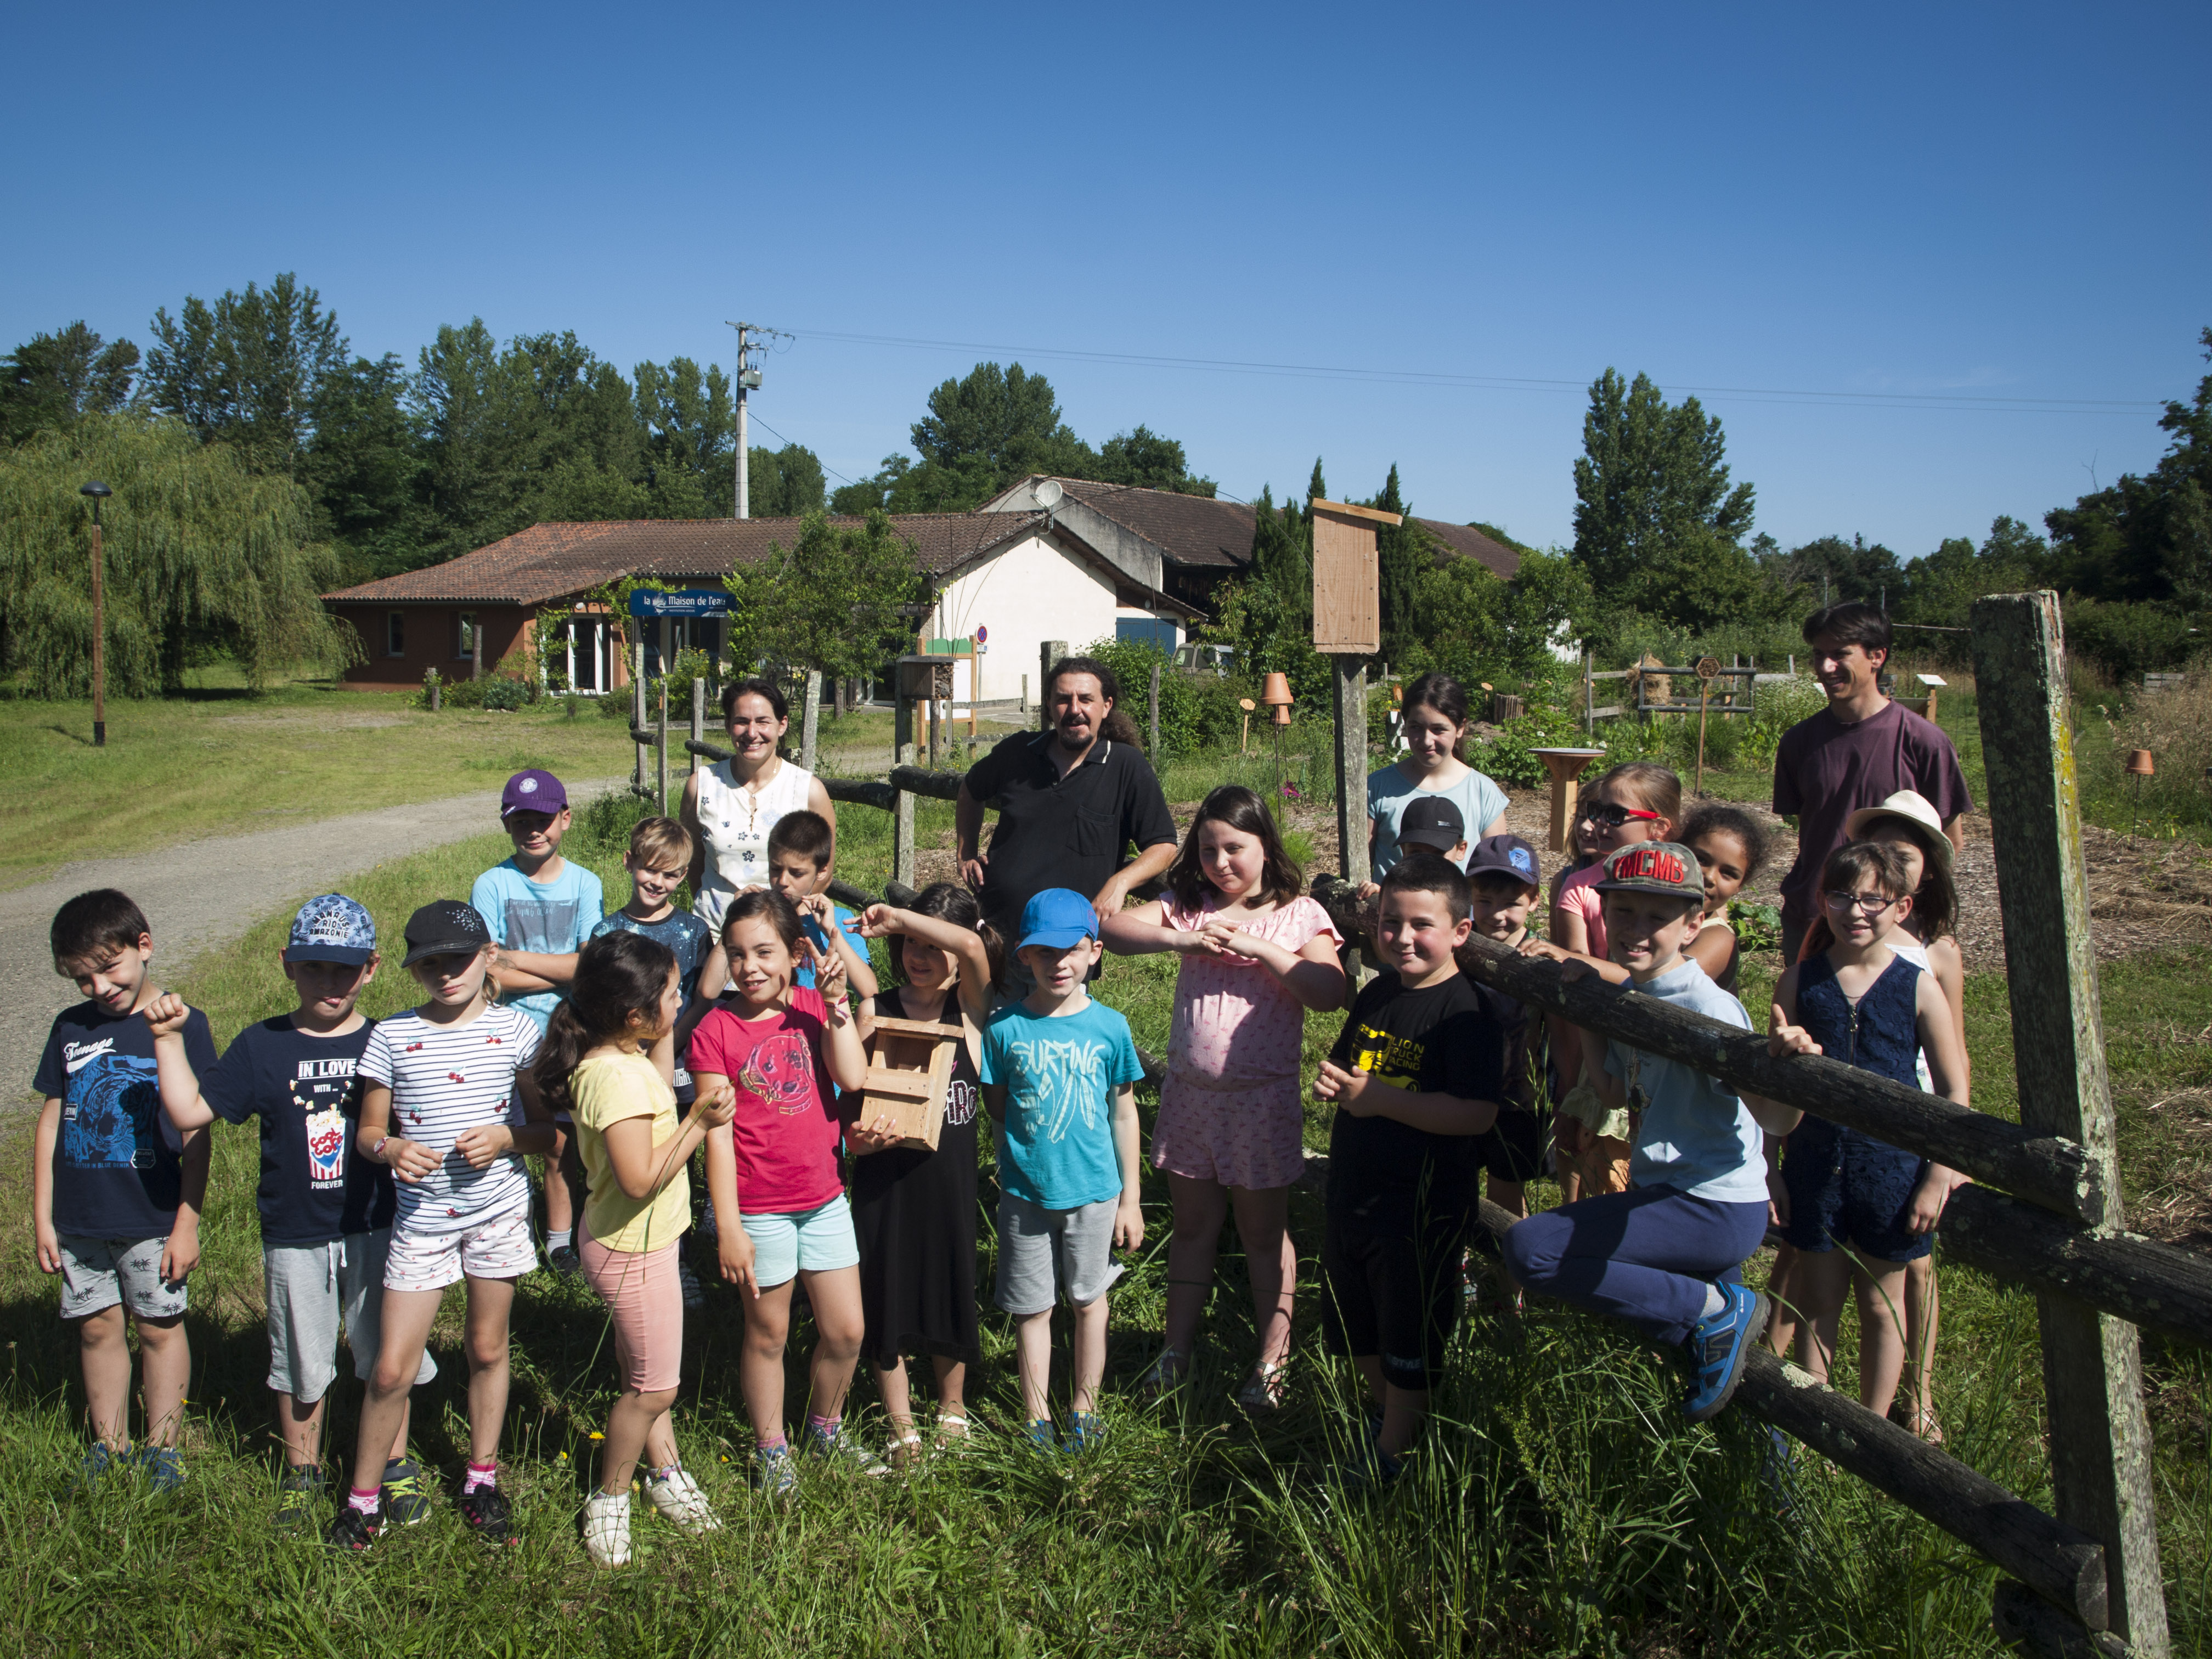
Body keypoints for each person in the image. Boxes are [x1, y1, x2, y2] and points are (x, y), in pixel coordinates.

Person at [144, 895, 435, 1532]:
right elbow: (191, 1112)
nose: (329, 983)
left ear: (373, 968)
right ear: (286, 966)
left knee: (386, 1355)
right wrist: (167, 1040)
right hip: (294, 1232)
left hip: (378, 1226)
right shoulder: (261, 1046)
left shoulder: (388, 1039)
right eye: (313, 968)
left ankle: (394, 1462)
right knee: (300, 1361)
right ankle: (303, 1472)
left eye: (344, 969)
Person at [1503, 843, 1809, 1423]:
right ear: (1603, 912)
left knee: (1530, 1248)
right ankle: (1773, 1487)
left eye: (1657, 917)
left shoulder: (1708, 1008)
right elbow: (1615, 1093)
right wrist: (1592, 1008)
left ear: (1695, 923)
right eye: (1623, 913)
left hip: (1710, 1204)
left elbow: (1775, 1119)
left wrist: (1787, 1072)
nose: (1636, 931)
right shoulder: (1635, 995)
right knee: (1729, 1376)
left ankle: (1718, 1309)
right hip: (1673, 1195)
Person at [1100, 786, 1345, 1410]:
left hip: (1259, 1103)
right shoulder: (1190, 906)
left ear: (1266, 845)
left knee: (1264, 1234)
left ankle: (1272, 1359)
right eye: (1208, 849)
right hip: (1190, 1098)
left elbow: (1328, 990)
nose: (1222, 862)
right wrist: (1183, 939)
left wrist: (1262, 947)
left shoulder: (1300, 915)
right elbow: (1115, 929)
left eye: (1235, 847)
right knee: (1192, 1227)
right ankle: (1176, 1350)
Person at [325, 901, 555, 1553]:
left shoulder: (516, 1033)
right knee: (392, 1368)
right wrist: (392, 1151)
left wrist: (509, 1137)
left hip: (499, 1214)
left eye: (458, 959)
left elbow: (547, 1134)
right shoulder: (391, 1037)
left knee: (487, 1348)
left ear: (488, 956)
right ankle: (362, 1500)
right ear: (413, 971)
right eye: (429, 966)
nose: (446, 975)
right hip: (422, 1223)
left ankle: (481, 1479)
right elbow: (368, 1131)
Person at [532, 931, 736, 1566]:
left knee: (644, 1371)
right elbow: (641, 1178)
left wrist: (667, 1030)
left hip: (638, 1244)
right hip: (632, 1252)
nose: (682, 1001)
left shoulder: (618, 1057)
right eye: (672, 995)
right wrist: (698, 1122)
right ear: (633, 1015)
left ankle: (667, 1473)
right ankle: (611, 1497)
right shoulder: (613, 1081)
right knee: (653, 1390)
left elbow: (655, 1072)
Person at [1314, 854, 1510, 1485]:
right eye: (1390, 923)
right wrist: (1338, 1083)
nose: (1402, 938)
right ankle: (1392, 1419)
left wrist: (1377, 1100)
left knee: (1410, 1334)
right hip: (1355, 1192)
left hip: (1420, 1208)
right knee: (1357, 1330)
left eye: (1421, 925)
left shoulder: (1467, 1014)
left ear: (1461, 930)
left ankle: (1392, 1458)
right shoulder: (1378, 992)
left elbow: (1476, 1115)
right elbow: (1353, 1067)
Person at [1766, 843, 1970, 1424]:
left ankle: (1874, 1428)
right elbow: (1778, 1085)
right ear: (1823, 902)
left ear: (1902, 907)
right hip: (1815, 1161)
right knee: (1819, 1297)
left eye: (1873, 900)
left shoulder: (1917, 986)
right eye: (1841, 896)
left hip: (1893, 1169)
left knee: (1884, 1304)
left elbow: (1953, 1090)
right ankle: (1816, 1425)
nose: (1856, 911)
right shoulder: (1799, 981)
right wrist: (1772, 1165)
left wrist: (1937, 1176)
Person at [693, 888, 873, 1497]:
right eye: (737, 954)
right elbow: (716, 1138)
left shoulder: (812, 1007)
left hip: (824, 1199)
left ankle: (825, 1427)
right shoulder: (715, 1032)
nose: (750, 967)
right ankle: (772, 1447)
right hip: (760, 1208)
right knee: (767, 1334)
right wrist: (730, 1227)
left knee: (847, 1331)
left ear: (796, 952)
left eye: (764, 952)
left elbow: (853, 1077)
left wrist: (838, 1005)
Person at [33, 889, 213, 1494]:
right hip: (79, 1217)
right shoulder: (70, 1028)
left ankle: (164, 1448)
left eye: (108, 968)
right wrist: (42, 1217)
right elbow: (53, 1120)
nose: (99, 988)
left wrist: (187, 1220)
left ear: (145, 946)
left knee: (157, 1327)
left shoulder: (183, 1023)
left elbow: (196, 1129)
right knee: (95, 1327)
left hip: (153, 1213)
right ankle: (109, 1445)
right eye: (81, 978)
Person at [981, 889, 1148, 1453]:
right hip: (1025, 1194)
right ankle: (1036, 1418)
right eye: (1044, 953)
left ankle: (1085, 1407)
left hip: (1095, 1193)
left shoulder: (1111, 1028)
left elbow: (1124, 1113)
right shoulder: (1005, 1030)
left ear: (1096, 952)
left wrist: (1130, 1199)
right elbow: (998, 1106)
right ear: (1023, 957)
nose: (1059, 964)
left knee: (1088, 1299)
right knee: (1033, 1307)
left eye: (1072, 950)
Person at [848, 886, 1000, 1466]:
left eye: (932, 944)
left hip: (951, 1188)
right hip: (884, 1182)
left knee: (950, 1286)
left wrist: (899, 916)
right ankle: (899, 1418)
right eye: (910, 943)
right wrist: (857, 1142)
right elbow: (848, 1101)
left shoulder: (973, 1010)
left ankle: (953, 1405)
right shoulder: (875, 1010)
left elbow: (969, 941)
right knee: (885, 1288)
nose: (919, 954)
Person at [956, 655, 1179, 985]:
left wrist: (1120, 883)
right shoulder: (1018, 752)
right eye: (1063, 699)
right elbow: (970, 790)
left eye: (1086, 699)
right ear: (1049, 706)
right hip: (994, 937)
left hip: (1064, 956)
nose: (1074, 709)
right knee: (983, 1034)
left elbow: (1163, 845)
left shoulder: (1125, 767)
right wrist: (966, 853)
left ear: (1106, 706)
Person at [1772, 602, 1971, 964]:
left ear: (1877, 656)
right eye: (1818, 654)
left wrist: (1902, 911)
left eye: (1839, 654)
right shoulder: (1799, 742)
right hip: (1814, 917)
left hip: (1891, 926)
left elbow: (1949, 844)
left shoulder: (1924, 742)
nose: (1825, 667)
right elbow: (1813, 830)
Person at [470, 768, 605, 1277]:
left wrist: (513, 959)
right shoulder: (491, 884)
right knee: (528, 1138)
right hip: (503, 1033)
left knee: (572, 1141)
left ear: (565, 820)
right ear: (507, 825)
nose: (533, 829)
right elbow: (485, 977)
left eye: (543, 819)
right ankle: (528, 1235)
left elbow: (587, 967)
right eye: (520, 820)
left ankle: (570, 1236)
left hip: (569, 1032)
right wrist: (561, 971)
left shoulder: (585, 884)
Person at [590, 814, 718, 1307]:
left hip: (681, 1056)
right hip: (623, 1061)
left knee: (682, 1145)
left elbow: (699, 995)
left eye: (670, 875)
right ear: (629, 862)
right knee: (633, 1151)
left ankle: (685, 1243)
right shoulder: (608, 930)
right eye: (649, 869)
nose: (657, 882)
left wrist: (670, 1037)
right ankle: (615, 1242)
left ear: (683, 877)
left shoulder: (691, 930)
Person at [1548, 763, 1681, 1178]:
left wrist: (1582, 963)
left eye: (1615, 815)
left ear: (1659, 828)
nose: (1599, 823)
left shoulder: (1683, 888)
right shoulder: (1581, 885)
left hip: (1670, 1042)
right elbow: (1576, 966)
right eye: (1597, 810)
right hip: (1607, 1044)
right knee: (1604, 1163)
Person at [683, 676, 837, 938]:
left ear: (782, 725)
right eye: (742, 721)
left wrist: (785, 919)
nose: (752, 733)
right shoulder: (701, 786)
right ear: (728, 726)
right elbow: (693, 861)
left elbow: (825, 871)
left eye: (763, 721)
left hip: (778, 938)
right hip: (713, 933)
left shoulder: (808, 790)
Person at [1365, 670, 1509, 880]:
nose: (1426, 740)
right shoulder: (1378, 788)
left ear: (1460, 728)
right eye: (1416, 727)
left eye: (1438, 730)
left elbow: (1495, 875)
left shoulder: (1483, 792)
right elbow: (1359, 868)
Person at [1679, 805, 1771, 998]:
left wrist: (1596, 968)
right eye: (1701, 860)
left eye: (1728, 873)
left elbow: (1666, 984)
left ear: (1740, 886)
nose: (1710, 877)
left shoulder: (1718, 938)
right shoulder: (1657, 912)